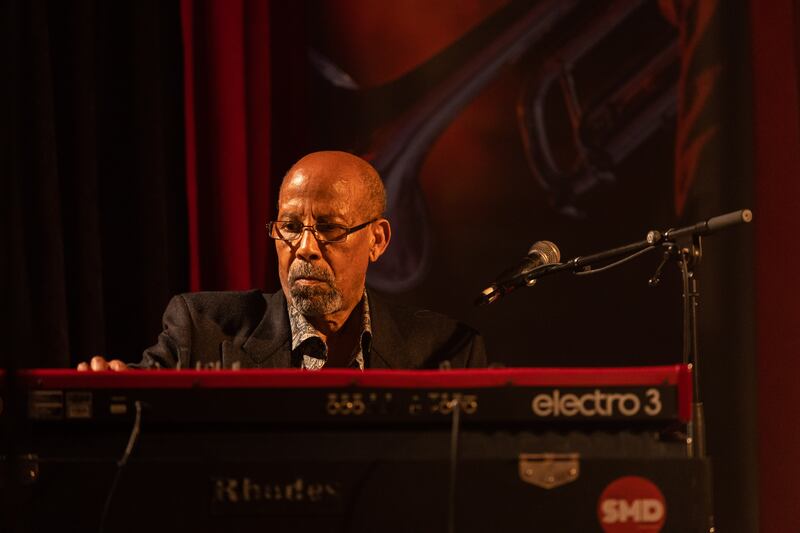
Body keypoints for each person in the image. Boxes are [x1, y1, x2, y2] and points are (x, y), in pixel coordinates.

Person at [78, 151, 486, 371]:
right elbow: (139, 401)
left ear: (377, 240)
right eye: (290, 226)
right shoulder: (201, 328)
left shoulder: (445, 352)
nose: (304, 247)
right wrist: (115, 388)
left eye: (329, 228)